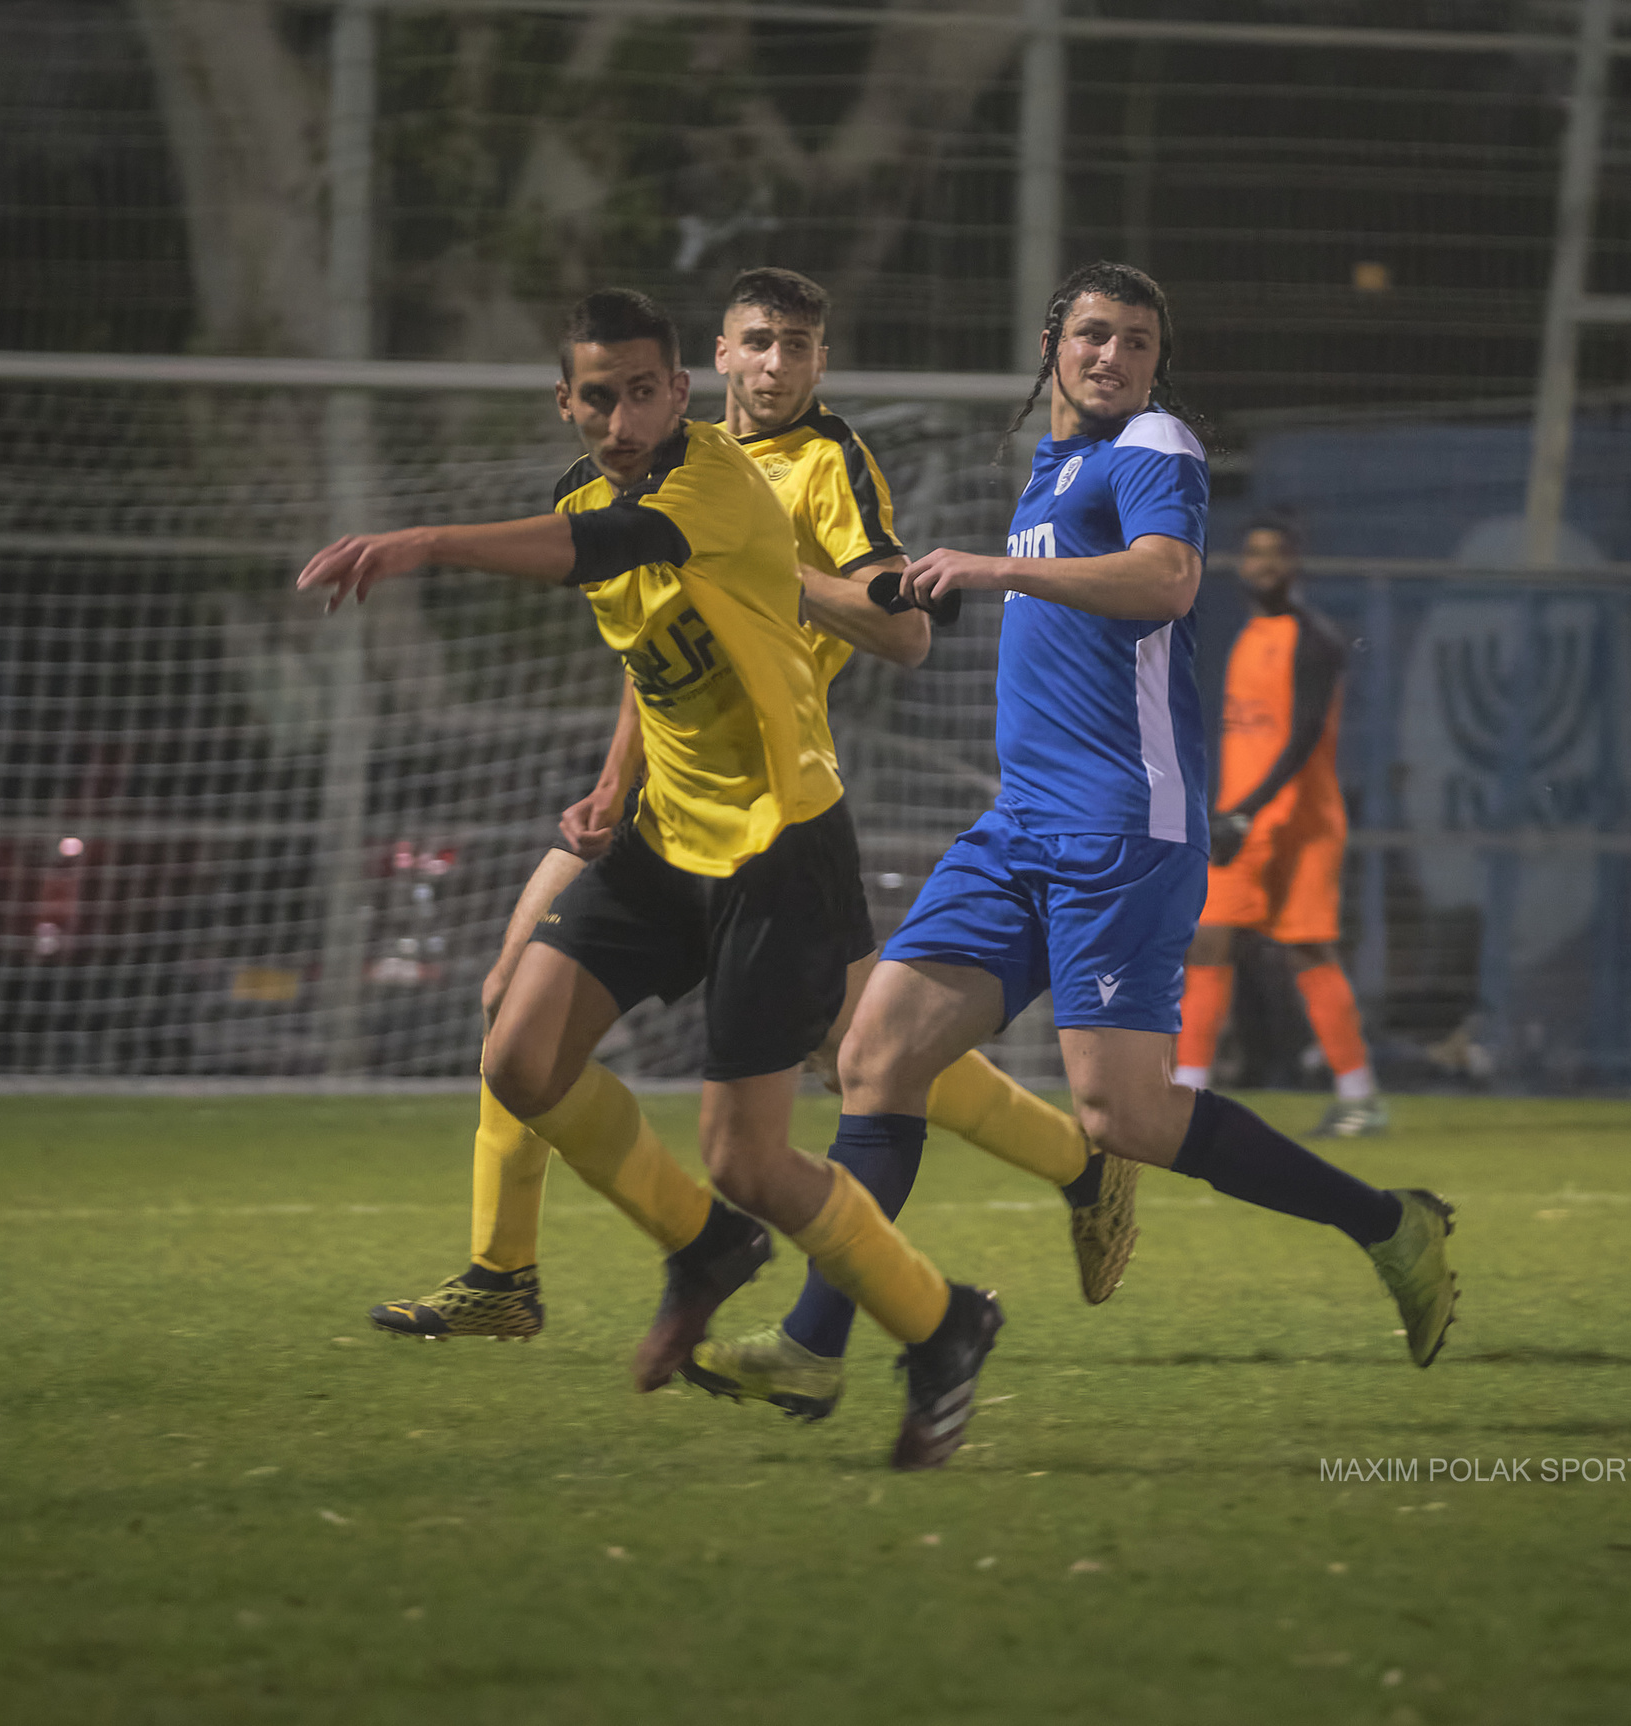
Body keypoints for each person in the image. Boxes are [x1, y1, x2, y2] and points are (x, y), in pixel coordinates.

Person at [369, 269, 1137, 1428]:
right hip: (663, 812)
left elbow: (902, 629)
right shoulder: (611, 479)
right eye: (760, 343)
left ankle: (1042, 1208)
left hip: (778, 823)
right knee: (515, 1022)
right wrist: (615, 774)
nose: (778, 366)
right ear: (717, 362)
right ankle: (509, 1272)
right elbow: (655, 633)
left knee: (849, 1072)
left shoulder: (804, 469)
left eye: (799, 346)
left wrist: (798, 581)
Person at [782, 261, 1459, 1378]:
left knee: (1126, 1118)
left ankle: (1390, 1224)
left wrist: (997, 569)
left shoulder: (1154, 446)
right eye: (1094, 334)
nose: (1113, 357)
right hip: (1021, 827)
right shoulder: (1053, 472)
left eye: (1136, 342)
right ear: (1052, 340)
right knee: (876, 1056)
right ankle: (811, 1347)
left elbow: (1168, 579)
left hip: (1121, 830)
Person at [1175, 514, 1389, 1135]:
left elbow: (1303, 737)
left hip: (1296, 820)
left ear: (1296, 565)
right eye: (1255, 553)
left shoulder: (1315, 640)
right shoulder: (1250, 636)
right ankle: (1189, 1093)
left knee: (1304, 949)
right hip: (1250, 817)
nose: (1264, 564)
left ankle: (1359, 1098)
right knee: (1210, 939)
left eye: (1277, 554)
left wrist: (1247, 809)